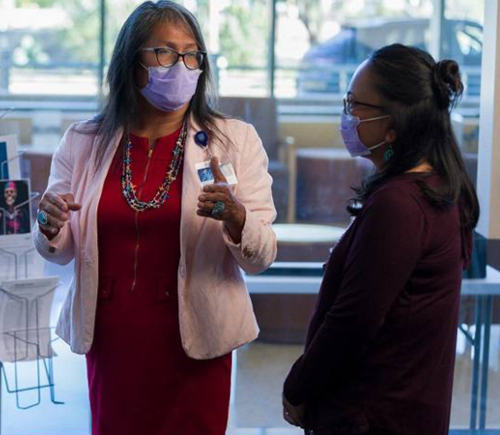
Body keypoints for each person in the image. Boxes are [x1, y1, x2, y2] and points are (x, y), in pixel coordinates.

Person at [32, 2, 277, 434]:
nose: (180, 66)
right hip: (113, 339)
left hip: (196, 339)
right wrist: (49, 225)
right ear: (132, 61)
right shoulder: (84, 141)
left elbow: (261, 256)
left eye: (191, 55)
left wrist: (237, 217)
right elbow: (61, 247)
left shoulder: (233, 140)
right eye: (164, 52)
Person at [283, 44, 479, 435]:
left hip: (373, 415)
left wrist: (298, 386)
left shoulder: (399, 205)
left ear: (393, 126)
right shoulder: (438, 187)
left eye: (355, 105)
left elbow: (352, 322)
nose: (346, 115)